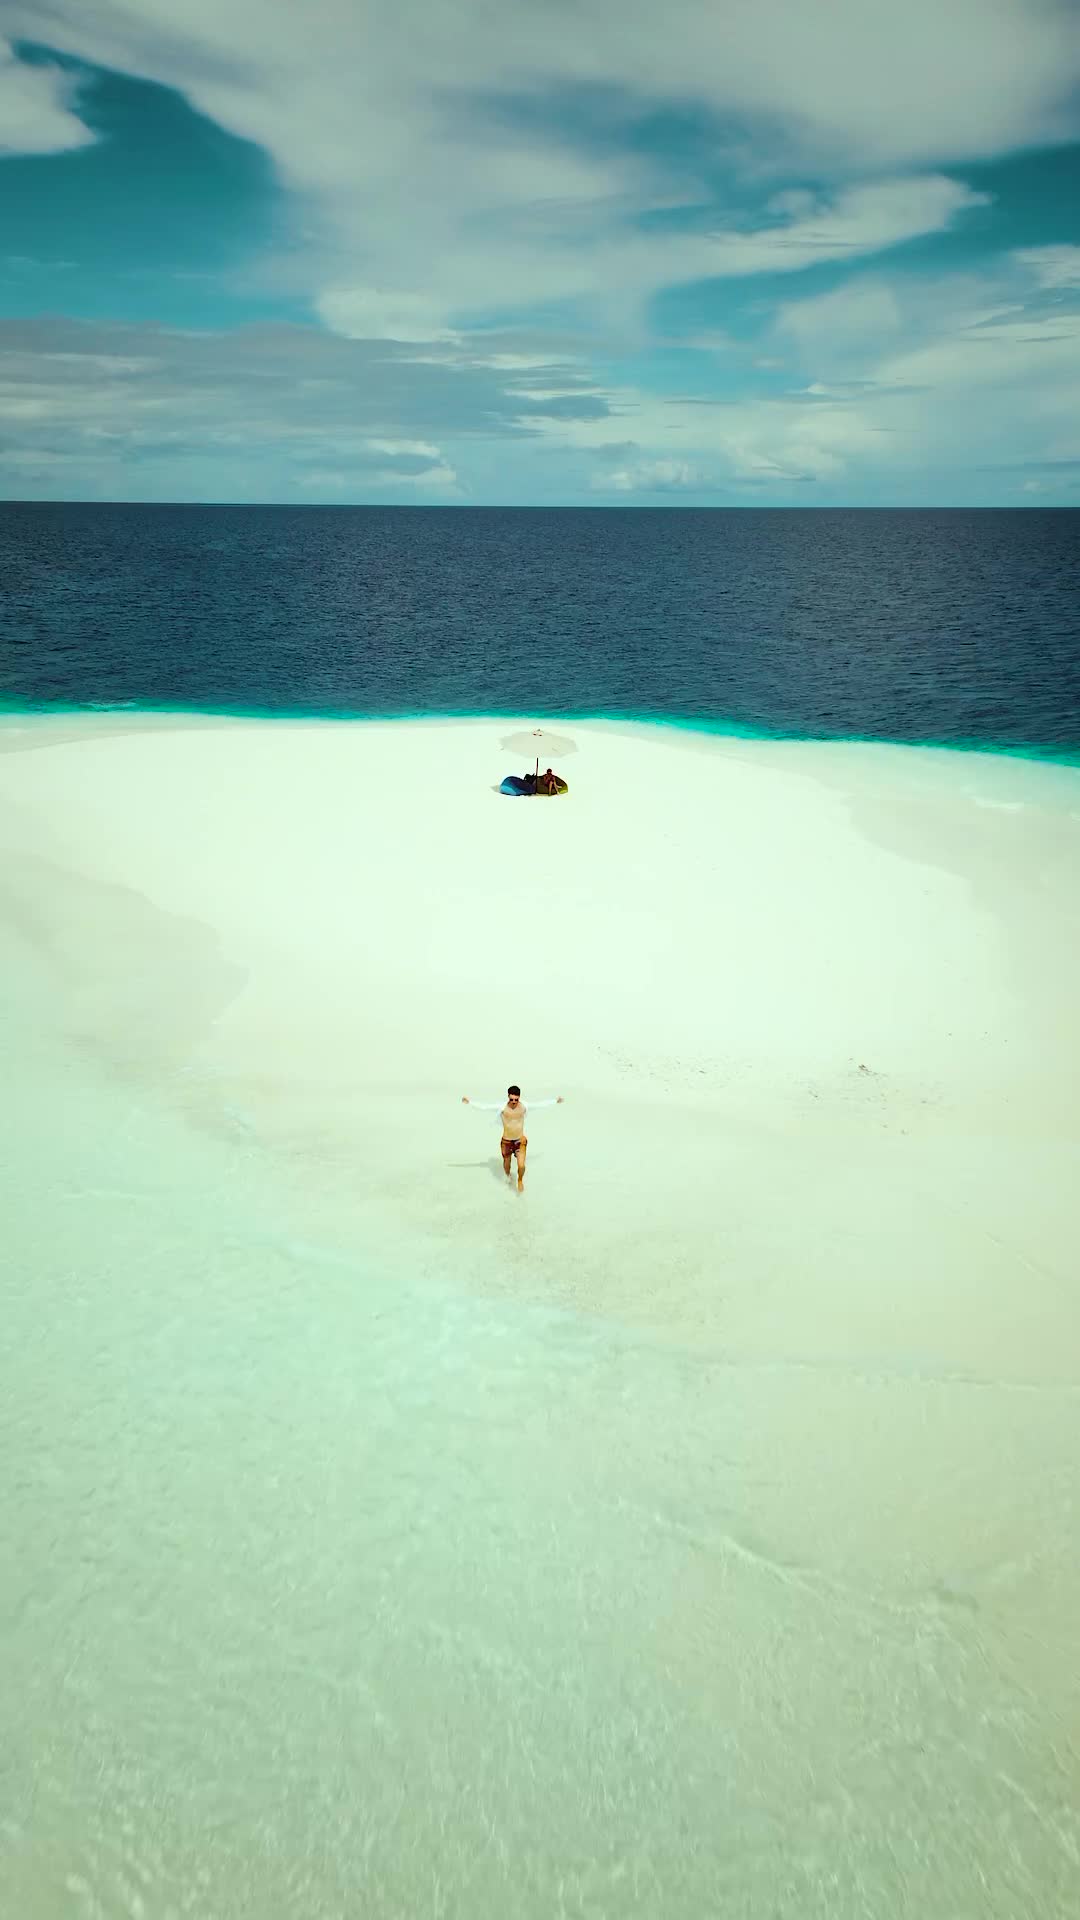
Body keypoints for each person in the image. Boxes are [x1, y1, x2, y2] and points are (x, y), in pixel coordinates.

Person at [461, 1084, 564, 1190]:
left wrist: (555, 1101)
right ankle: (508, 1176)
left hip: (520, 1141)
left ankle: (520, 1180)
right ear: (508, 1096)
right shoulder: (502, 1107)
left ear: (519, 1097)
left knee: (521, 1166)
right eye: (511, 1099)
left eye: (516, 1099)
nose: (514, 1102)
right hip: (506, 1141)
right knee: (506, 1164)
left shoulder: (524, 1106)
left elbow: (539, 1105)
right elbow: (485, 1107)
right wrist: (469, 1102)